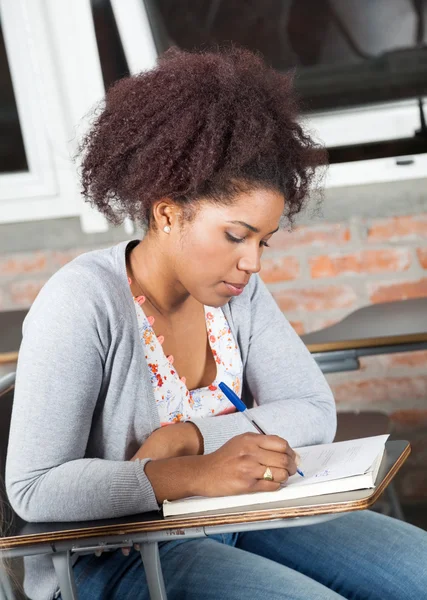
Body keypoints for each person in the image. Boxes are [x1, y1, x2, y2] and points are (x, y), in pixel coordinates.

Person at [5, 47, 427, 600]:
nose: (252, 262)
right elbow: (34, 490)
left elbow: (312, 409)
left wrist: (192, 438)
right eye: (236, 235)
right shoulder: (82, 303)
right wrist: (196, 474)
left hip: (238, 515)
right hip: (114, 554)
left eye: (263, 241)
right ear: (167, 213)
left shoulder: (234, 293)